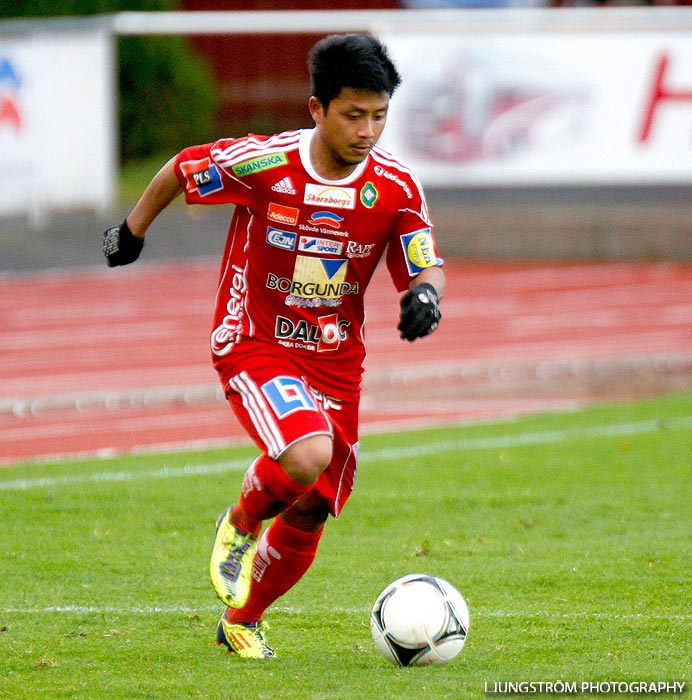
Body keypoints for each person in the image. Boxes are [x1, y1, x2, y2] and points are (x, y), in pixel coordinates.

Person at [102, 32, 445, 659]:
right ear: (316, 108)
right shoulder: (265, 164)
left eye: (379, 116)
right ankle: (241, 520)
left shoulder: (394, 187)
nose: (367, 130)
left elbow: (425, 261)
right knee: (307, 453)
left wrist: (426, 295)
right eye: (353, 114)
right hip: (254, 338)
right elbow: (183, 167)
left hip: (338, 359)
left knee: (315, 506)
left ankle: (243, 620)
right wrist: (131, 231)